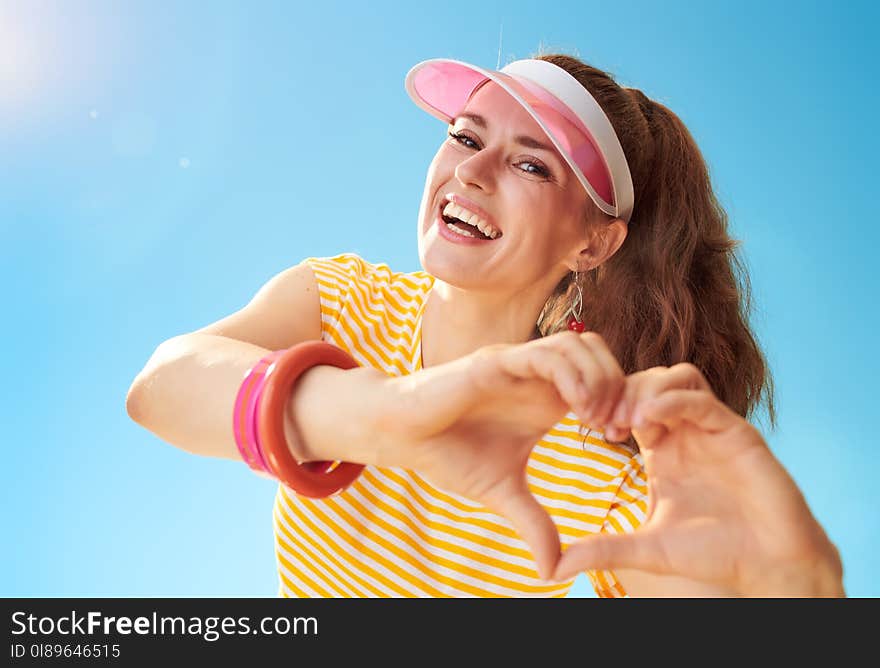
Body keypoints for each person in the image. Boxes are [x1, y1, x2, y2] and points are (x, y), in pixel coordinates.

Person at [125, 52, 844, 597]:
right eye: (466, 138)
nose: (474, 172)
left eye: (533, 167)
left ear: (592, 245)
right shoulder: (339, 301)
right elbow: (159, 389)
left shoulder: (606, 461)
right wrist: (385, 416)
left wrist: (790, 598)